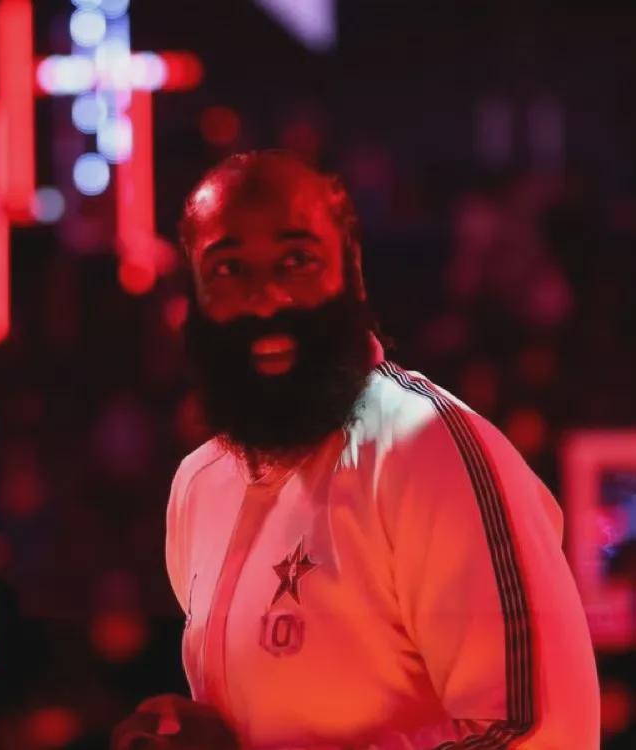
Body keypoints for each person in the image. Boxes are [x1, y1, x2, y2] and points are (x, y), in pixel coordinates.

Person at [113, 151, 599, 749]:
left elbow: (541, 734)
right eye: (229, 268)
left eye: (297, 260)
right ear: (193, 293)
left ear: (352, 269)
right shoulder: (200, 482)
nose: (265, 297)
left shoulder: (427, 448)